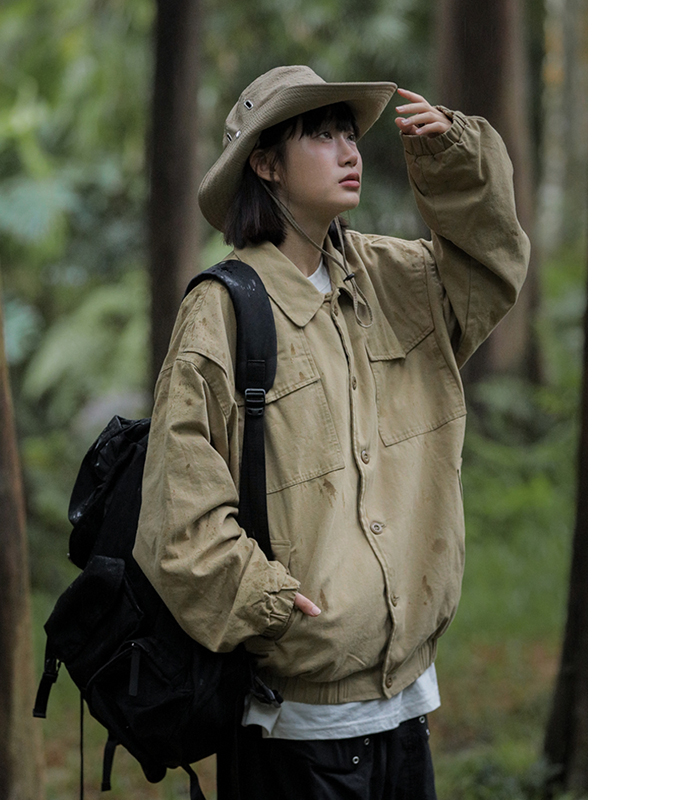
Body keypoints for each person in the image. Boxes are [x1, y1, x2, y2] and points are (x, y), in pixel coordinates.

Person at [133, 65, 529, 799]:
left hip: (410, 708)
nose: (349, 150)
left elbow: (491, 269)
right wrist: (271, 606)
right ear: (266, 164)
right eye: (321, 134)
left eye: (349, 131)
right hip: (295, 732)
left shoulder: (397, 277)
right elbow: (177, 517)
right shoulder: (222, 311)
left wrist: (455, 163)